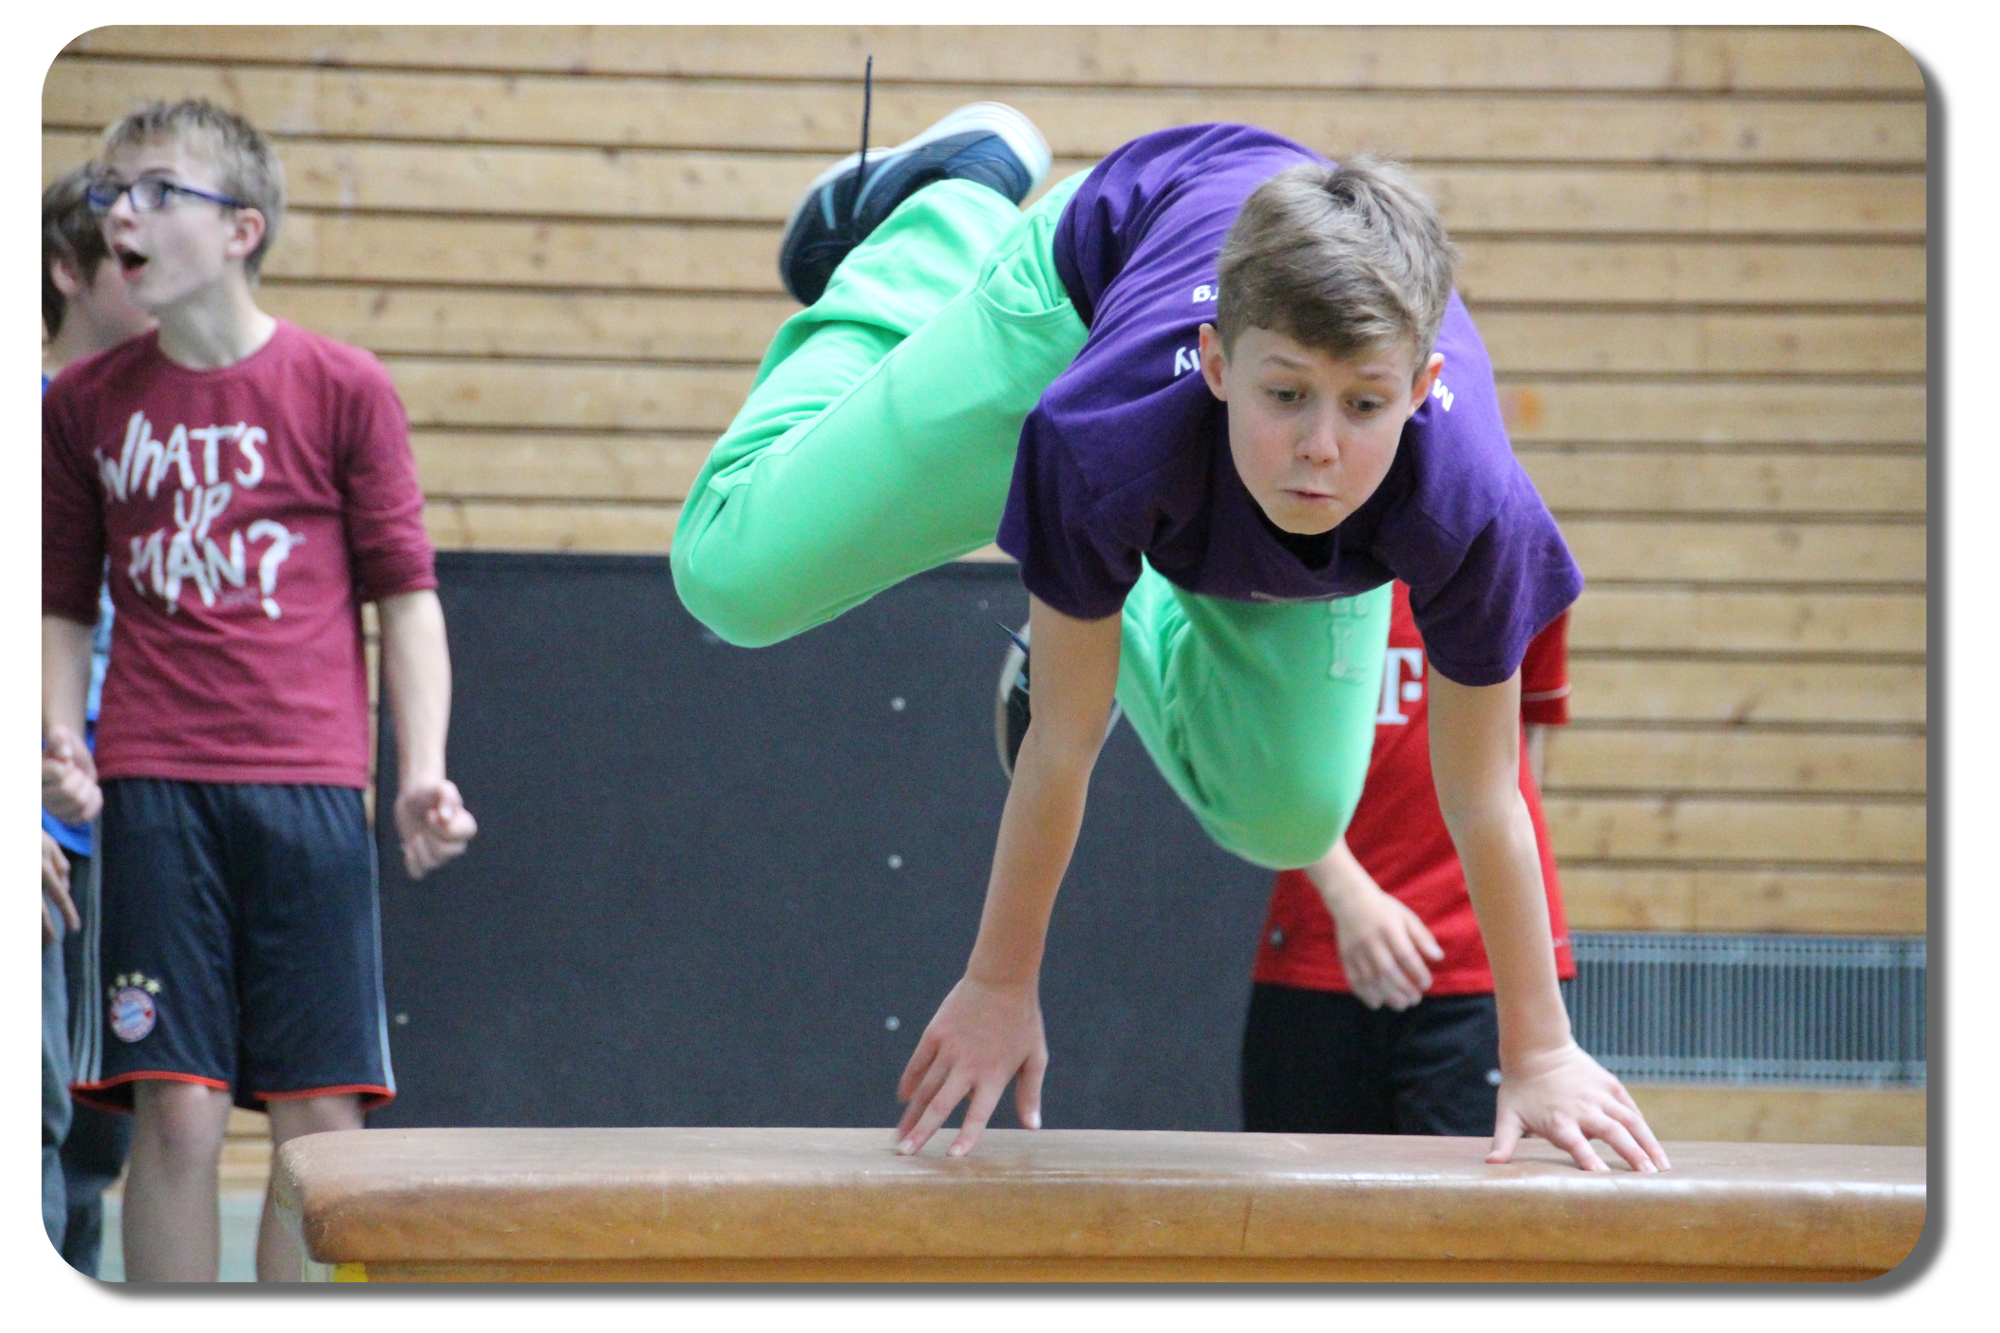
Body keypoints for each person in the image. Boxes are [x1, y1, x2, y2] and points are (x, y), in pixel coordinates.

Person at [670, 104, 1667, 1174]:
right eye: (1285, 394)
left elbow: (1484, 792)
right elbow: (1063, 738)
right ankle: (938, 212)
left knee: (1288, 813)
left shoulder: (1469, 500)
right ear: (1218, 363)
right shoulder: (1103, 431)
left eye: (1364, 406)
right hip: (1085, 289)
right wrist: (1000, 982)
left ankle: (1099, 590)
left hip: (1234, 487)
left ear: (1422, 391)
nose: (1319, 449)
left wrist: (1541, 1050)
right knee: (730, 572)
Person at [41, 99, 479, 1282]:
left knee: (317, 1124)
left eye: (156, 191)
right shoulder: (86, 406)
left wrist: (422, 771)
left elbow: (407, 597)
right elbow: (63, 603)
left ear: (241, 229)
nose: (121, 215)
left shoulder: (342, 387)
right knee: (176, 1107)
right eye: (111, 194)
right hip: (154, 790)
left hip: (309, 790)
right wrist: (59, 738)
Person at [1241, 581, 1577, 1135]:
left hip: (1476, 964)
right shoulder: (1283, 562)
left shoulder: (1510, 561)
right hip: (1320, 948)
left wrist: (1501, 904)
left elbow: (1524, 741)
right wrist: (1347, 894)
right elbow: (1254, 743)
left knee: (1478, 1188)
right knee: (1300, 1188)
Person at [40, 163, 156, 1273]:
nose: (152, 276)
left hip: (136, 817)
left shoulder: (165, 426)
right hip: (47, 820)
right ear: (66, 273)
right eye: (125, 260)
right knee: (45, 1121)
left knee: (101, 1130)